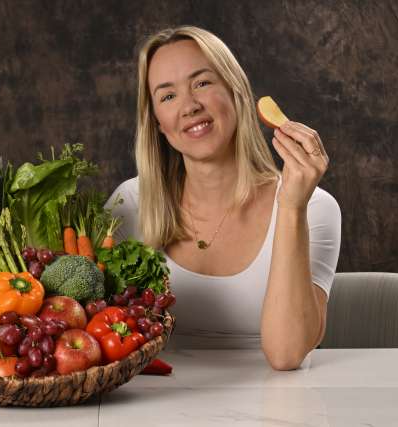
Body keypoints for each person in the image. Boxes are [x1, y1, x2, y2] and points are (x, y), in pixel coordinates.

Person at [106, 25, 341, 370]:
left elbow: (287, 354)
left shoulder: (314, 207)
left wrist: (291, 207)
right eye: (168, 96)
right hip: (157, 401)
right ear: (157, 122)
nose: (189, 106)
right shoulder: (129, 203)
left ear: (236, 90)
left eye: (202, 83)